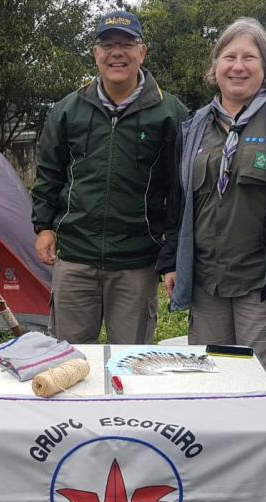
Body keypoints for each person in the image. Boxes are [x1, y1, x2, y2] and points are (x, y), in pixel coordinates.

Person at [156, 18, 266, 405]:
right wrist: (171, 261)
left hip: (262, 282)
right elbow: (178, 200)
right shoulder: (194, 126)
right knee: (212, 378)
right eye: (229, 56)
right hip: (207, 280)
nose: (238, 66)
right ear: (215, 68)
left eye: (250, 57)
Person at [31, 10, 188, 344]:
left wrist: (171, 252)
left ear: (142, 52)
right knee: (68, 362)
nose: (117, 52)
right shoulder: (67, 110)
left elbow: (179, 192)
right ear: (96, 53)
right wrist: (43, 225)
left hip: (136, 262)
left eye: (127, 44)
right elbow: (48, 173)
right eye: (108, 44)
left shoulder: (171, 114)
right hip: (75, 257)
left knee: (130, 365)